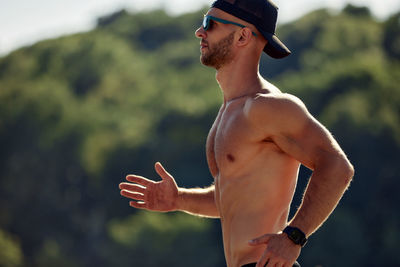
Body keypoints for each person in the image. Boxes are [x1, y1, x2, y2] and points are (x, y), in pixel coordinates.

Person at [119, 0, 354, 266]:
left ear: (243, 35)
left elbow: (337, 166)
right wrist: (179, 199)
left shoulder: (267, 106)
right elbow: (236, 198)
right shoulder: (230, 110)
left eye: (210, 23)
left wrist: (293, 236)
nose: (199, 31)